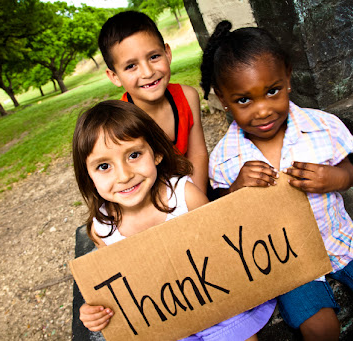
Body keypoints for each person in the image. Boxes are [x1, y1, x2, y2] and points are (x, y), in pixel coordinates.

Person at [202, 21, 353, 341]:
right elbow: (226, 218)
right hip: (287, 260)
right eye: (243, 100)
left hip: (340, 238)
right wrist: (237, 192)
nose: (262, 110)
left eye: (272, 91)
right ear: (222, 98)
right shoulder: (225, 159)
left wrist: (333, 177)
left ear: (287, 76)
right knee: (320, 328)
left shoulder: (321, 127)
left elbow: (349, 174)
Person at [72, 100, 276, 341]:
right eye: (104, 166)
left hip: (219, 307)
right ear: (88, 176)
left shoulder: (184, 196)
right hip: (164, 325)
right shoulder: (103, 229)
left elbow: (225, 249)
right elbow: (116, 291)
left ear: (156, 153)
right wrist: (94, 312)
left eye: (134, 155)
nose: (124, 175)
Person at [98, 11, 209, 195]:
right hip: (149, 200)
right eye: (131, 66)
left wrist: (196, 205)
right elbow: (128, 182)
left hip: (192, 191)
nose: (148, 72)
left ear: (167, 53)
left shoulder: (188, 97)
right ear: (114, 76)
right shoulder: (119, 122)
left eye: (154, 57)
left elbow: (197, 155)